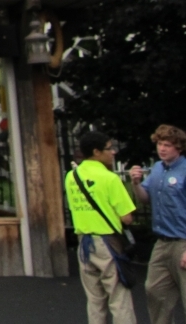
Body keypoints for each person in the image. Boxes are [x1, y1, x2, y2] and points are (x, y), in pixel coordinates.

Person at [64, 130, 137, 324]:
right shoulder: (110, 179)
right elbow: (127, 218)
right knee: (118, 298)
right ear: (97, 152)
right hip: (108, 243)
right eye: (109, 148)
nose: (113, 152)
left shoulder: (72, 176)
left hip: (84, 243)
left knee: (95, 300)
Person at [129, 124, 186, 324]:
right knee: (154, 289)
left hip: (183, 241)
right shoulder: (157, 169)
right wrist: (136, 184)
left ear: (178, 148)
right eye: (160, 144)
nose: (162, 148)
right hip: (162, 242)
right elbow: (145, 199)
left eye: (168, 145)